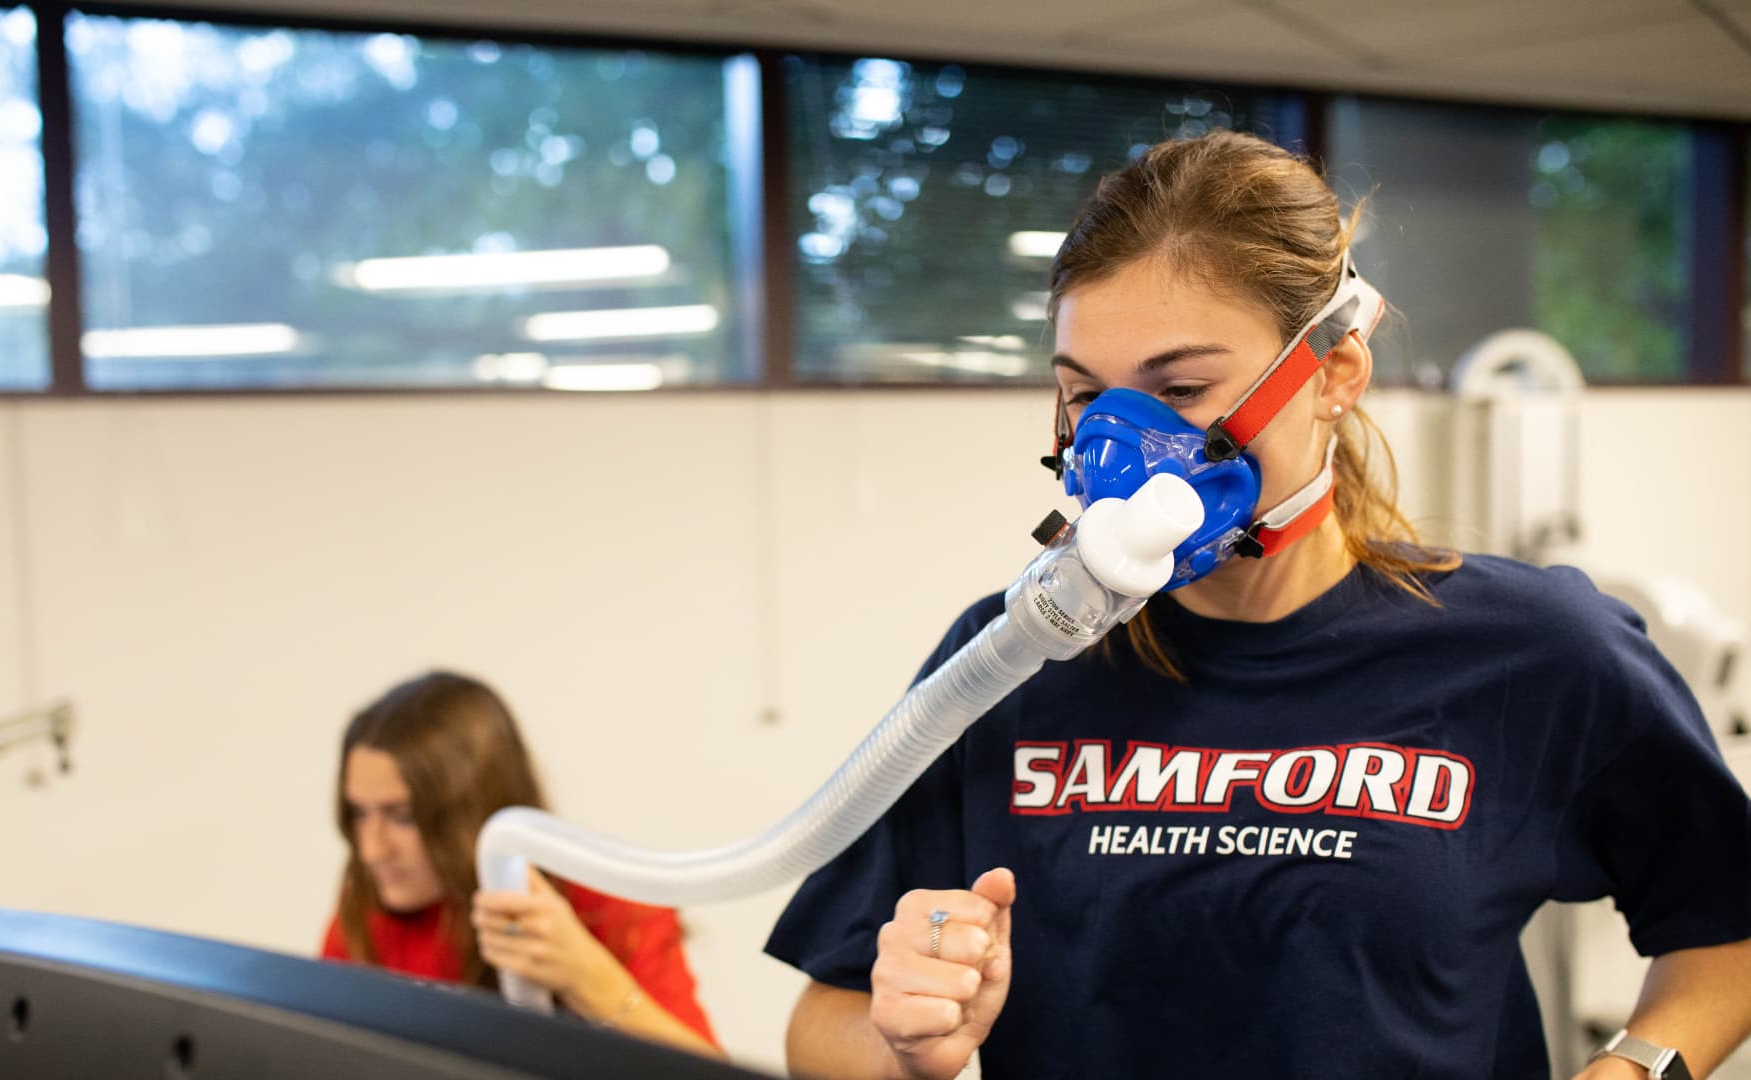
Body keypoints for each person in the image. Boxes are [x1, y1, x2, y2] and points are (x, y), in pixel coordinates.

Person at [765, 130, 1751, 1080]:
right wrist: (905, 1044)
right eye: (1082, 397)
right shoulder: (1011, 660)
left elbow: (1729, 931)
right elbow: (824, 1025)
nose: (1117, 446)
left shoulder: (1533, 653)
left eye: (1182, 387)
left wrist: (1637, 1068)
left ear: (1334, 377)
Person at [321, 669, 721, 1056]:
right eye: (359, 813)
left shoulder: (608, 908)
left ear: (472, 809)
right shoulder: (373, 902)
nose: (373, 850)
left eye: (402, 816)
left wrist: (590, 981)